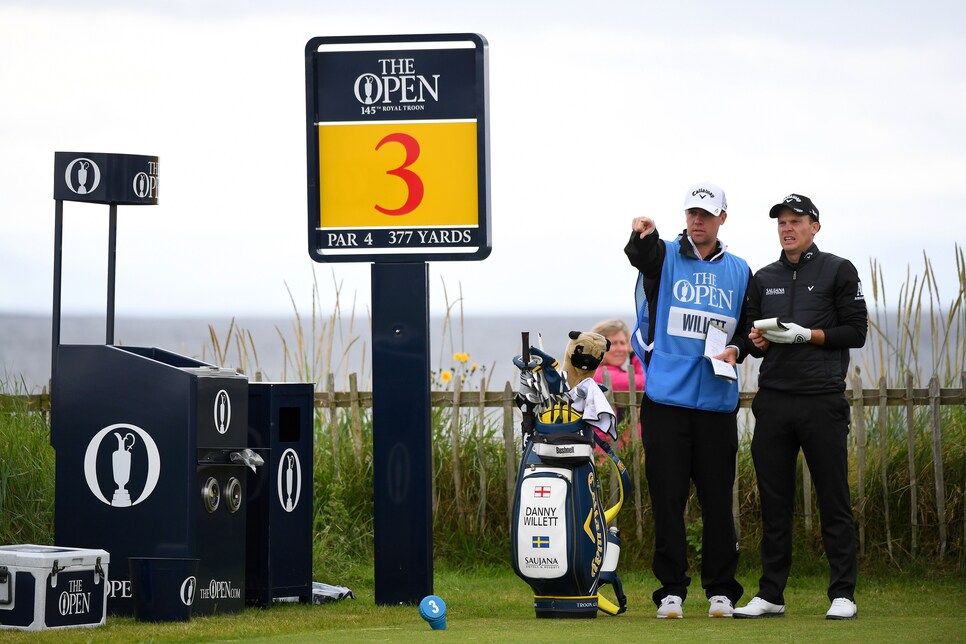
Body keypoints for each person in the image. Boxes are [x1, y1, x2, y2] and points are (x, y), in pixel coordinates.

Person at [733, 193, 867, 621]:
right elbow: (753, 337)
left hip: (821, 399)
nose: (787, 228)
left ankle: (842, 593)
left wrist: (808, 335)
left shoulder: (838, 269)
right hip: (773, 400)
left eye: (796, 221)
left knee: (833, 499)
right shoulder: (764, 277)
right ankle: (771, 594)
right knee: (774, 503)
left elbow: (855, 331)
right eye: (781, 223)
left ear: (815, 226)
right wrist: (755, 342)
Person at [625, 181, 752, 619]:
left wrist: (738, 347)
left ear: (722, 218)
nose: (697, 221)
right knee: (668, 499)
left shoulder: (739, 269)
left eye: (705, 214)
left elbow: (747, 325)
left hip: (717, 403)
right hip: (665, 402)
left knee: (718, 501)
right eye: (691, 214)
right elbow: (642, 257)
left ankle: (721, 590)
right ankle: (671, 591)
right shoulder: (664, 256)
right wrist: (641, 233)